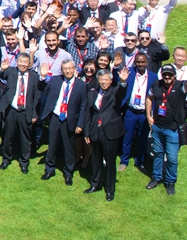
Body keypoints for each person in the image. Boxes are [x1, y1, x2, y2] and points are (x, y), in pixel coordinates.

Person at [146, 57, 187, 195]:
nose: (167, 77)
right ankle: (156, 178)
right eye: (165, 75)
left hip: (173, 129)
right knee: (157, 154)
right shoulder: (156, 85)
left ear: (174, 76)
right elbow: (149, 98)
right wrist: (148, 115)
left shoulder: (180, 86)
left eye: (170, 75)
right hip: (157, 127)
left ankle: (170, 182)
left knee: (171, 158)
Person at [41, 59, 89, 185]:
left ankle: (68, 173)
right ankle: (49, 169)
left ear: (74, 69)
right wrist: (43, 77)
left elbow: (84, 106)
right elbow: (45, 91)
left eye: (70, 68)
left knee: (69, 148)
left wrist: (80, 124)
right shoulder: (56, 80)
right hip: (56, 117)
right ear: (61, 70)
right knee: (52, 144)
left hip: (70, 120)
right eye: (65, 69)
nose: (67, 71)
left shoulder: (81, 85)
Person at [84, 68, 126, 201]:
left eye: (106, 79)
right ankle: (95, 184)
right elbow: (88, 113)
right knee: (95, 159)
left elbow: (121, 93)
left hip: (110, 132)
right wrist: (87, 132)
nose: (103, 82)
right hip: (95, 130)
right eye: (101, 79)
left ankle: (110, 189)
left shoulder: (114, 92)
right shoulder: (92, 93)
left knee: (109, 161)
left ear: (111, 80)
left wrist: (123, 82)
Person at [0, 52, 39, 174]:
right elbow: (0, 74)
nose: (22, 64)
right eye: (20, 61)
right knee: (8, 136)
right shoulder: (11, 71)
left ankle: (24, 162)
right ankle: (6, 159)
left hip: (25, 111)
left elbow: (37, 96)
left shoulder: (34, 76)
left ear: (29, 63)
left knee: (25, 138)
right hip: (11, 109)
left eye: (25, 62)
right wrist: (1, 69)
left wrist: (34, 114)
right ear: (17, 62)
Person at [119, 52, 152, 173]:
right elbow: (120, 83)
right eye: (138, 62)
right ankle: (124, 161)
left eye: (142, 62)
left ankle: (140, 161)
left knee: (142, 137)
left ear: (147, 62)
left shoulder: (153, 76)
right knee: (127, 137)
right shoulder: (129, 73)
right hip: (131, 111)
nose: (140, 64)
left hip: (144, 112)